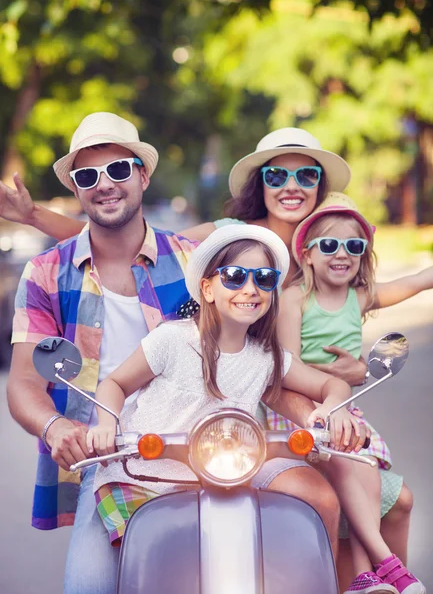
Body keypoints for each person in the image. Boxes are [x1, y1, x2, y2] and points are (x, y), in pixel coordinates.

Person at [1, 126, 412, 576]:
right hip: (112, 451)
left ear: (143, 176)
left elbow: (267, 368)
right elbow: (25, 381)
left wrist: (325, 406)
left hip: (224, 443)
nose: (104, 184)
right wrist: (58, 427)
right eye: (88, 177)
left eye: (118, 169)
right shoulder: (48, 271)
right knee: (90, 583)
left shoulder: (200, 260)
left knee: (320, 502)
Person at [86, 224, 359, 547]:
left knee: (244, 548)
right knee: (154, 557)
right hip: (138, 476)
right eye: (234, 276)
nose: (250, 288)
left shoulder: (267, 358)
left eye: (264, 278)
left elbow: (333, 384)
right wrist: (107, 423)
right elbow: (114, 383)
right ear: (208, 289)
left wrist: (332, 409)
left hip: (214, 480)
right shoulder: (173, 339)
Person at [278, 192, 432, 594]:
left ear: (363, 254)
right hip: (301, 410)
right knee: (354, 464)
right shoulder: (295, 299)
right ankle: (382, 566)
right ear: (307, 254)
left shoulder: (358, 297)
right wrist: (333, 380)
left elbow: (413, 282)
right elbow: (286, 365)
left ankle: (366, 576)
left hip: (343, 411)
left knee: (369, 475)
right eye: (329, 245)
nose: (341, 253)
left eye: (354, 246)